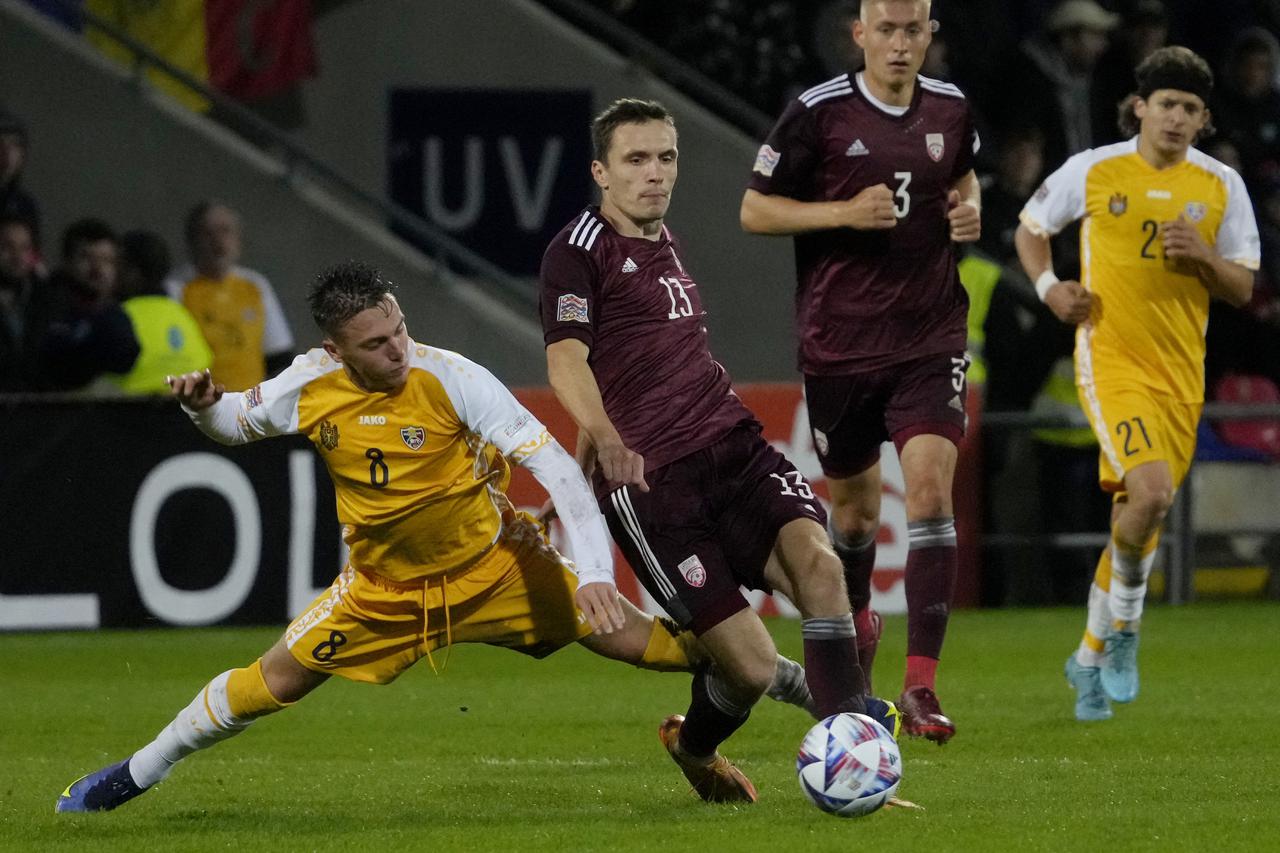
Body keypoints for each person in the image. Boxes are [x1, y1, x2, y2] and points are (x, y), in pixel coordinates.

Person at [55, 261, 815, 813]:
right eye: (377, 343)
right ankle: (132, 774)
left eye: (400, 328)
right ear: (337, 349)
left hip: (498, 567)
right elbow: (232, 425)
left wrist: (589, 572)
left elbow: (558, 471)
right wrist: (202, 405)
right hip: (384, 592)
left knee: (664, 646)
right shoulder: (306, 383)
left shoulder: (454, 377)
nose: (398, 348)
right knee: (271, 683)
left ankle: (780, 687)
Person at [541, 97, 898, 806]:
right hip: (656, 487)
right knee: (748, 666)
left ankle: (855, 752)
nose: (655, 174)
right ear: (600, 172)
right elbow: (570, 363)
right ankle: (697, 746)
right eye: (636, 160)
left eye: (665, 157)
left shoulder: (665, 242)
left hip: (732, 448)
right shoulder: (576, 251)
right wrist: (598, 452)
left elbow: (631, 365)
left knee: (822, 567)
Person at [739, 0, 982, 743]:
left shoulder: (953, 107)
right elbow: (755, 210)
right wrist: (840, 214)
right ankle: (856, 632)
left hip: (929, 335)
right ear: (860, 35)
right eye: (887, 31)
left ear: (929, 35)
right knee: (854, 517)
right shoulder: (818, 113)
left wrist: (971, 208)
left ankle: (921, 687)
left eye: (914, 31)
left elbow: (964, 179)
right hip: (840, 346)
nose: (900, 45)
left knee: (934, 487)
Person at [1014, 46, 1260, 721]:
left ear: (1203, 118)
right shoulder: (1093, 171)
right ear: (1140, 107)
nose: (1176, 118)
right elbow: (1032, 229)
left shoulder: (1221, 186)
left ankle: (1092, 650)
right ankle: (1126, 630)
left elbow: (1243, 285)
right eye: (1167, 105)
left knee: (1140, 510)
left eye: (1190, 109)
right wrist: (1049, 287)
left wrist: (1206, 256)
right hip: (1111, 359)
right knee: (1149, 491)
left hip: (1182, 372)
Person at [166, 201, 294, 390]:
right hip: (202, 406)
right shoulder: (176, 289)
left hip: (249, 406)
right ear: (193, 241)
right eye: (208, 233)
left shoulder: (255, 285)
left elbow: (279, 355)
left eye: (225, 231)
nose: (218, 241)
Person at [104, 230, 213, 395]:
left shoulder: (118, 316)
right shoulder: (181, 313)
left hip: (126, 412)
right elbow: (204, 360)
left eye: (113, 264)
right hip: (184, 413)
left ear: (133, 273)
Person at [39, 218, 140, 391]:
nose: (97, 269)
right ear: (67, 262)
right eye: (87, 258)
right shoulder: (46, 309)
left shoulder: (119, 314)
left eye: (106, 260)